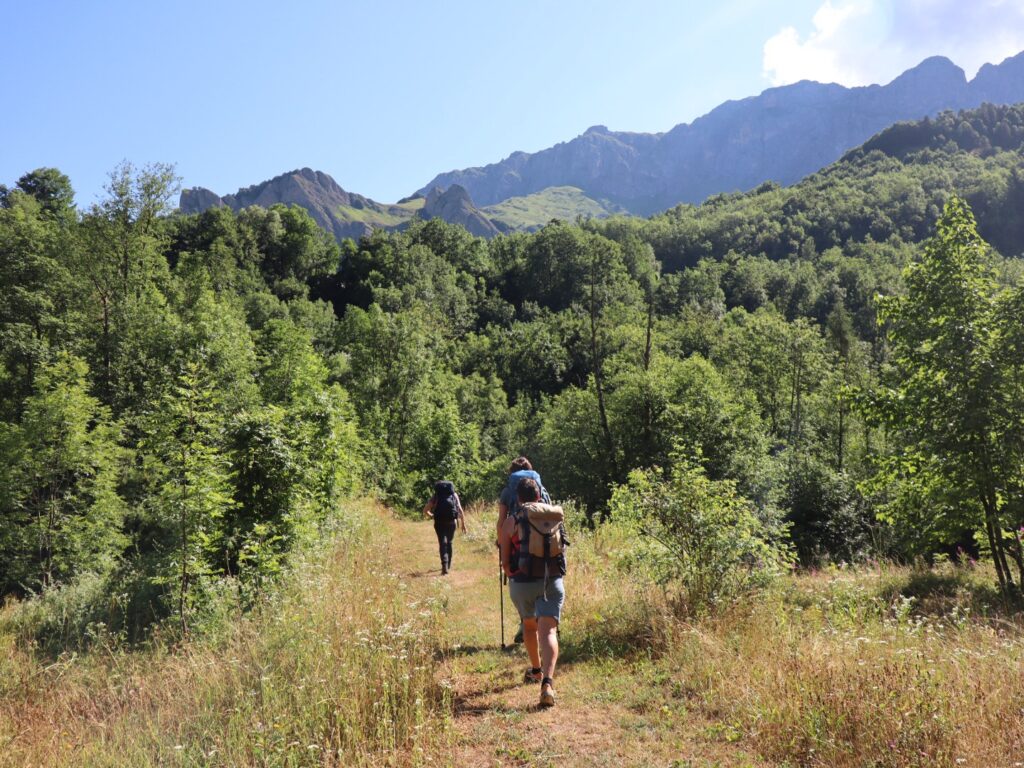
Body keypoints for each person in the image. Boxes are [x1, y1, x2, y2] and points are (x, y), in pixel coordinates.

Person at [499, 477, 566, 708]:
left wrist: (512, 572)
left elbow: (505, 561)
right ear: (539, 496)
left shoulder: (511, 521)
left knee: (529, 626)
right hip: (552, 581)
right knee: (549, 631)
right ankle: (548, 683)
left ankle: (536, 670)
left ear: (517, 498)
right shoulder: (553, 517)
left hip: (523, 582)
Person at [497, 457, 550, 644]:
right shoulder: (541, 489)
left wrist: (502, 542)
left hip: (516, 542)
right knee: (541, 580)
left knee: (521, 580)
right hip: (543, 544)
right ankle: (541, 623)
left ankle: (525, 623)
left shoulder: (507, 491)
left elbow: (501, 521)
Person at [423, 480, 466, 575]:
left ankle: (444, 566)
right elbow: (460, 509)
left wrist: (432, 515)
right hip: (452, 522)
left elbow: (425, 510)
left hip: (439, 523)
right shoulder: (454, 495)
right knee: (449, 543)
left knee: (442, 543)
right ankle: (448, 565)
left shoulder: (436, 496)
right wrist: (463, 524)